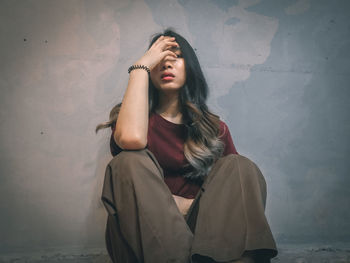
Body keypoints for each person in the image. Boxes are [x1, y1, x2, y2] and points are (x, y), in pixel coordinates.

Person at [96, 28, 278, 263]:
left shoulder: (214, 128)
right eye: (158, 58)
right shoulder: (131, 119)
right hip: (144, 239)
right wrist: (139, 68)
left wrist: (185, 205)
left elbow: (234, 197)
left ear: (190, 68)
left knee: (240, 166)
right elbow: (132, 140)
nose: (167, 63)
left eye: (176, 56)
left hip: (204, 240)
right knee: (128, 161)